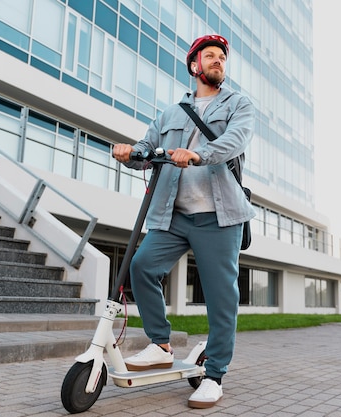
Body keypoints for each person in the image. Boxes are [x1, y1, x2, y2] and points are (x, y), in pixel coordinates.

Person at [112, 34, 255, 409]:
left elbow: (235, 141)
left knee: (221, 298)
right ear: (195, 66)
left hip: (219, 217)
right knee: (141, 267)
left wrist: (198, 154)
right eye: (209, 56)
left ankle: (214, 375)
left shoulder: (238, 104)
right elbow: (148, 149)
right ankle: (159, 344)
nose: (217, 61)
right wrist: (131, 153)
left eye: (222, 57)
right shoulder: (171, 113)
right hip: (173, 214)